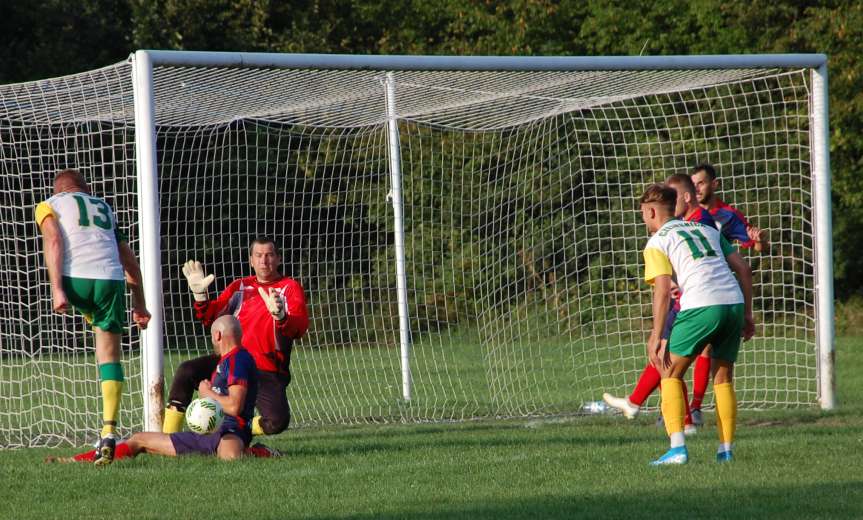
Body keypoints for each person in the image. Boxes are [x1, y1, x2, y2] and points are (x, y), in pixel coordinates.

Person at [35, 169, 151, 465]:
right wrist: (140, 305)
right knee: (109, 356)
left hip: (75, 278)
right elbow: (129, 261)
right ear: (84, 189)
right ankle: (109, 431)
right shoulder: (104, 207)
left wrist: (58, 289)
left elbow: (54, 241)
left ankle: (106, 437)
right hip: (110, 282)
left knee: (97, 334)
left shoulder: (50, 204)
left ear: (59, 190)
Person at [46, 315, 270, 463]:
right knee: (138, 439)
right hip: (208, 433)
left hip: (230, 432)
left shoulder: (238, 359)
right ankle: (76, 460)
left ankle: (259, 452)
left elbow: (234, 405)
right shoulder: (227, 361)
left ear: (218, 336)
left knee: (230, 457)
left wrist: (207, 394)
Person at [638, 184, 754, 464]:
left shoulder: (656, 243)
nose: (643, 219)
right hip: (733, 304)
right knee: (723, 378)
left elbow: (663, 290)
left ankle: (677, 449)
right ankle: (725, 450)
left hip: (701, 305)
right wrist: (748, 315)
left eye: (643, 214)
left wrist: (656, 334)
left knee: (668, 373)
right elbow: (743, 268)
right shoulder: (708, 229)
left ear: (652, 211)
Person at [161, 237, 309, 439]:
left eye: (269, 255)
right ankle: (169, 437)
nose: (264, 261)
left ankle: (243, 426)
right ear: (251, 260)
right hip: (231, 361)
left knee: (277, 421)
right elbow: (211, 319)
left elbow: (299, 328)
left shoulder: (289, 288)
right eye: (258, 256)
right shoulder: (240, 287)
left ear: (279, 259)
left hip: (265, 369)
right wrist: (200, 296)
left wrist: (281, 316)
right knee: (187, 371)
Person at [602, 174, 717, 433]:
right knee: (673, 362)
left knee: (668, 361)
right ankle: (696, 426)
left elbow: (667, 285)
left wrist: (656, 331)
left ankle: (684, 426)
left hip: (694, 303)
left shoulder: (694, 224)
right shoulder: (693, 225)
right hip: (712, 300)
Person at [687, 163, 768, 420]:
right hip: (690, 285)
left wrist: (760, 240)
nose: (696, 188)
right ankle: (672, 407)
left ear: (714, 184)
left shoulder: (727, 216)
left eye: (701, 183)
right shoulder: (686, 213)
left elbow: (753, 245)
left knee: (708, 350)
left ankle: (694, 408)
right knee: (674, 348)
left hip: (717, 289)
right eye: (693, 183)